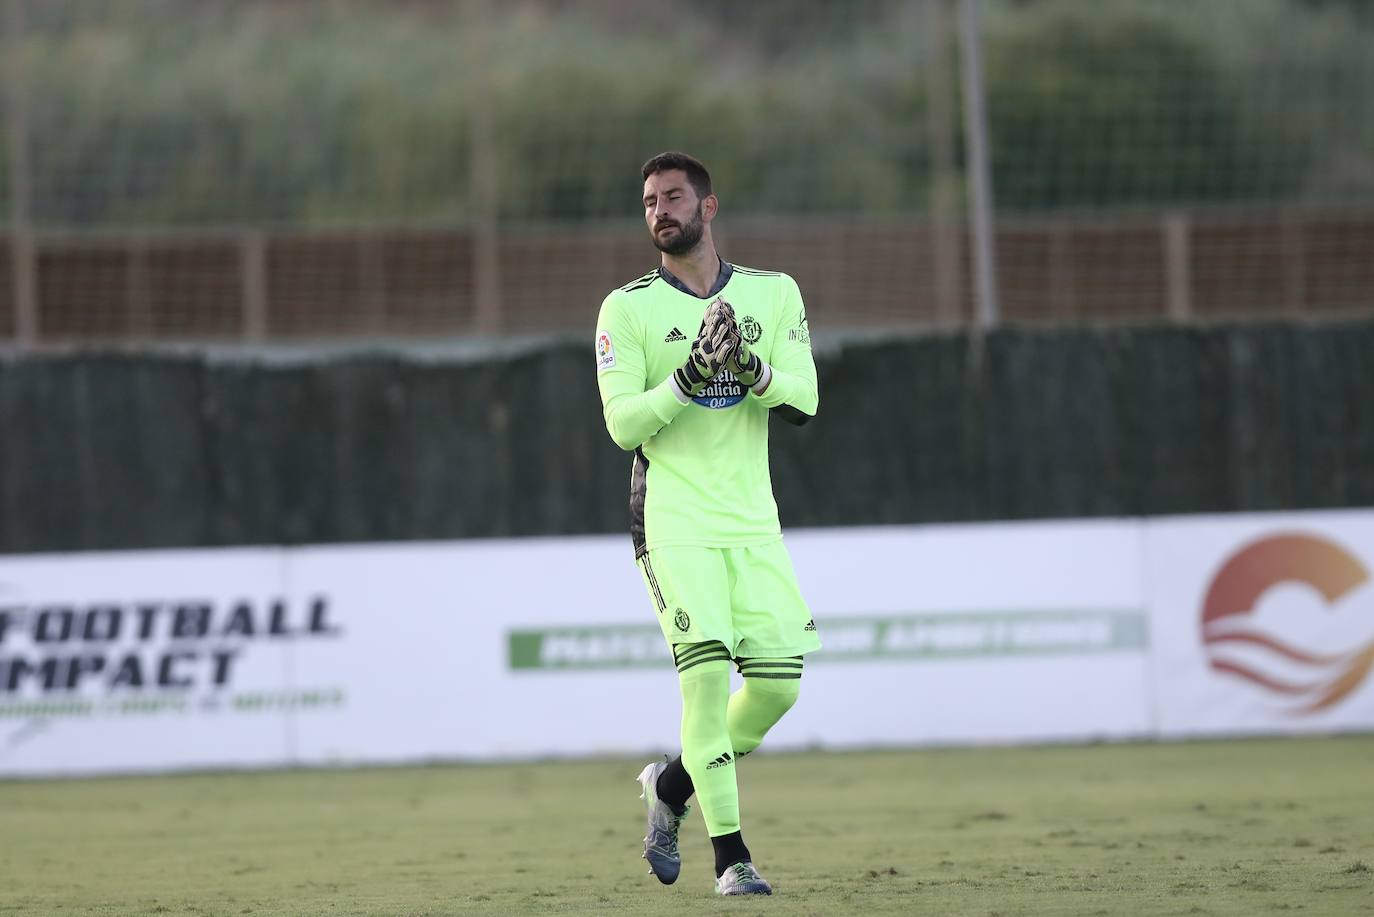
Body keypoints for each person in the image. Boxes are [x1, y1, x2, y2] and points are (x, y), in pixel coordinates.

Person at [593, 151, 820, 897]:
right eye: (650, 201)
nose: (661, 210)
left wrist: (751, 368)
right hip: (673, 522)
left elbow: (804, 400)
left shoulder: (774, 292)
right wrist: (687, 378)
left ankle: (670, 790)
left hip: (753, 524)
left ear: (709, 207)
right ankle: (733, 859)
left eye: (674, 197)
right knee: (705, 684)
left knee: (779, 687)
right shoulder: (626, 308)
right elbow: (625, 425)